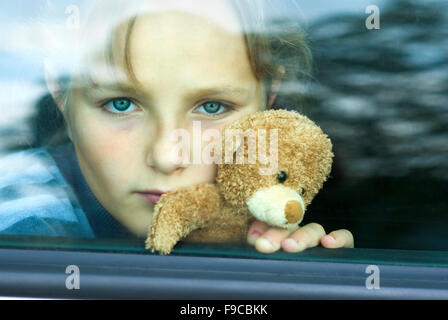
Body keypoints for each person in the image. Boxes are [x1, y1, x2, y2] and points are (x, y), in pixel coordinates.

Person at [0, 0, 354, 253]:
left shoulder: (273, 209)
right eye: (120, 104)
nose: (167, 157)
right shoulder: (22, 227)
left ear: (269, 96)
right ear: (60, 92)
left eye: (212, 107)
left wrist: (270, 270)